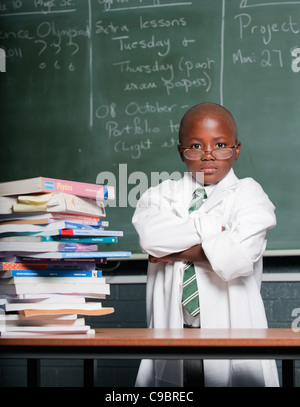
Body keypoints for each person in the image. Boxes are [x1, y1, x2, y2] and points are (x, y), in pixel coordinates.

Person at [132, 102, 279, 387]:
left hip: (232, 331)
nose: (208, 155)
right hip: (173, 332)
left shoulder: (250, 194)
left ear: (236, 149)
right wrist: (214, 228)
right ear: (181, 151)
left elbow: (236, 259)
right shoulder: (159, 194)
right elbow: (150, 238)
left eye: (221, 144)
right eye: (196, 146)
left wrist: (170, 254)